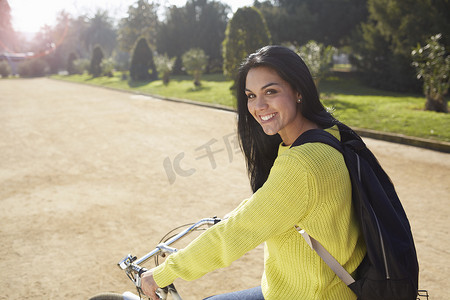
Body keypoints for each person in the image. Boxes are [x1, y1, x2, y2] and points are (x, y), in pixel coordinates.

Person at [141, 45, 366, 299]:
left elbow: (237, 233)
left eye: (271, 91)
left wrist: (164, 272)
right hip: (334, 287)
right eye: (250, 95)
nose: (259, 106)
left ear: (299, 90)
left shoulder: (301, 164)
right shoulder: (329, 134)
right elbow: (268, 203)